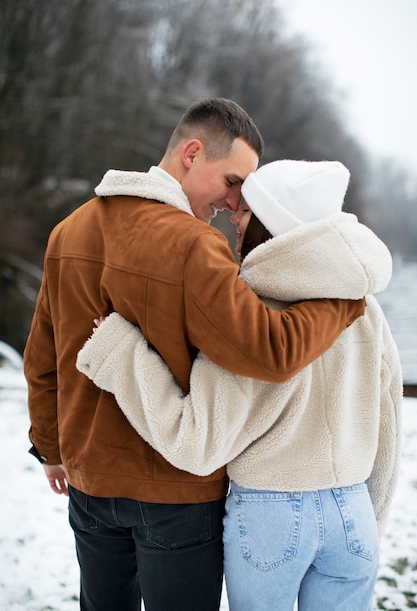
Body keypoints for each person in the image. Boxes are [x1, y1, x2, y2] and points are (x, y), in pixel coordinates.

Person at [24, 97, 366, 611]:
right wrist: (343, 299)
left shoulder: (67, 232)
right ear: (192, 152)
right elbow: (271, 351)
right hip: (175, 494)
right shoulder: (193, 245)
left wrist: (50, 448)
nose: (234, 203)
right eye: (232, 182)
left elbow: (43, 356)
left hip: (88, 482)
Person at [77, 160, 403, 611]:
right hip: (354, 510)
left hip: (271, 516)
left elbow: (195, 441)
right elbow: (388, 430)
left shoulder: (247, 318)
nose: (234, 215)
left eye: (247, 211)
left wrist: (120, 352)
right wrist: (369, 525)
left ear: (273, 224)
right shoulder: (365, 308)